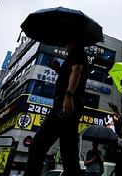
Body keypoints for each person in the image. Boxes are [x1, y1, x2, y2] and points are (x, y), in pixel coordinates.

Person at [24, 40, 89, 176]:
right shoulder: (76, 55)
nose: (65, 44)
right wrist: (58, 68)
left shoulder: (77, 52)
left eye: (67, 41)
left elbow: (76, 71)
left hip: (64, 107)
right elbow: (69, 75)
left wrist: (68, 96)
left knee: (37, 146)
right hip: (70, 108)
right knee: (69, 154)